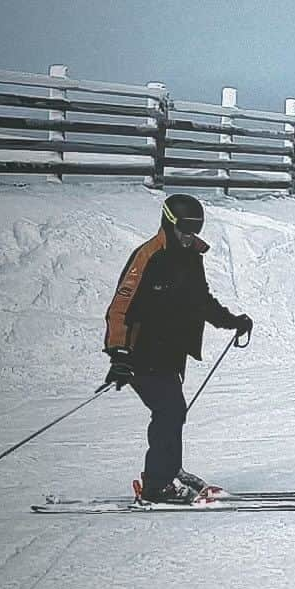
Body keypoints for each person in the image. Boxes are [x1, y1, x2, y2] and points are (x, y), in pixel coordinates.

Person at [103, 194, 253, 500]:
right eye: (185, 229)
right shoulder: (148, 256)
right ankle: (157, 485)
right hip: (139, 352)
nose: (189, 237)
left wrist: (232, 321)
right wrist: (118, 354)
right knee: (169, 410)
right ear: (169, 223)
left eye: (194, 230)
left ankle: (169, 472)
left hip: (169, 352)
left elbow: (201, 301)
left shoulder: (191, 257)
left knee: (174, 412)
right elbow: (120, 306)